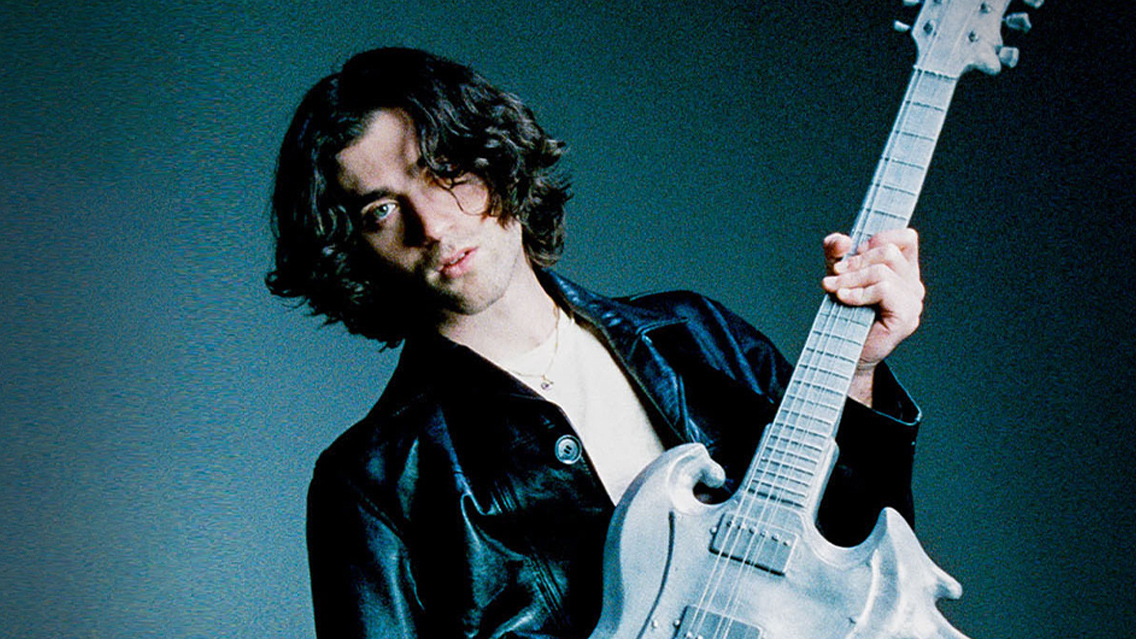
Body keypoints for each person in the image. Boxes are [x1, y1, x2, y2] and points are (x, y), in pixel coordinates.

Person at [267, 47, 926, 639]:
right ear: (352, 249)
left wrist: (858, 371)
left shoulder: (695, 334)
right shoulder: (373, 484)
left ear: (495, 157)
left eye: (443, 170)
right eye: (381, 210)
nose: (432, 225)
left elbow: (863, 570)